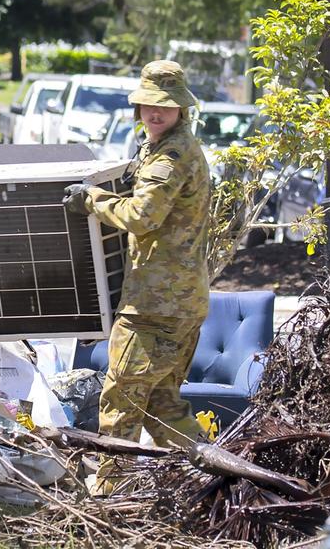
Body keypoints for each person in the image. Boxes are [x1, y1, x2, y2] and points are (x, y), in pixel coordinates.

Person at [62, 60, 211, 494]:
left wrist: (92, 200)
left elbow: (142, 216)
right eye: (148, 105)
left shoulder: (172, 154)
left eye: (164, 106)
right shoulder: (162, 147)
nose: (154, 113)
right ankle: (220, 480)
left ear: (181, 109)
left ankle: (108, 499)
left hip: (154, 307)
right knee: (163, 407)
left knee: (120, 404)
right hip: (177, 302)